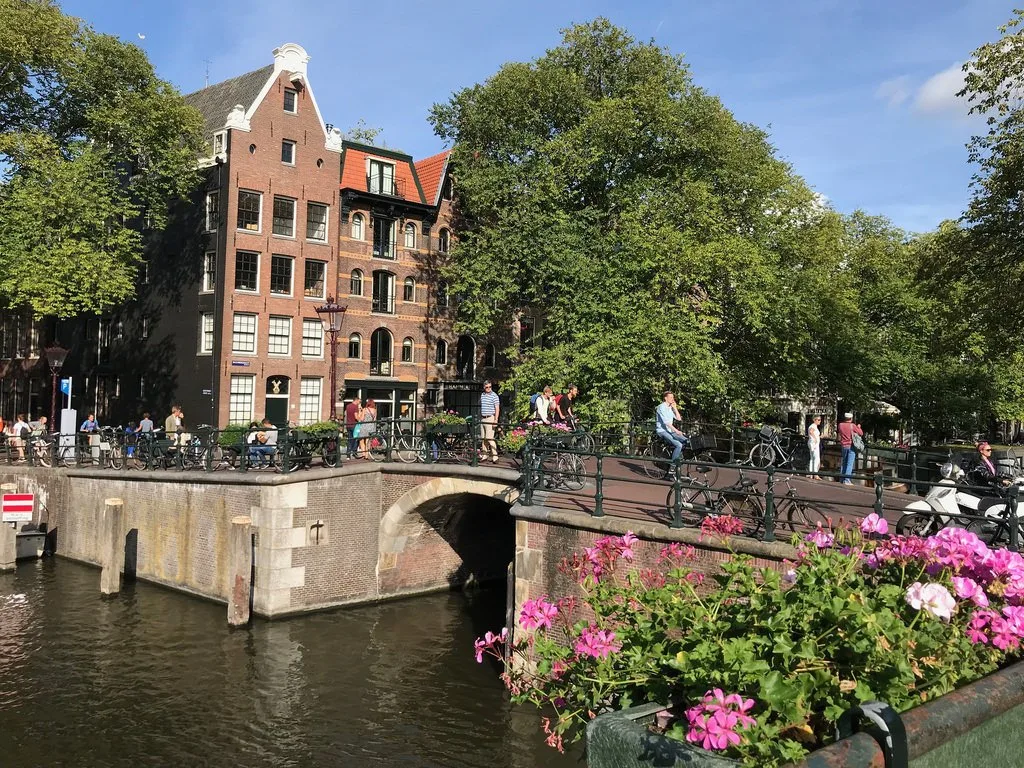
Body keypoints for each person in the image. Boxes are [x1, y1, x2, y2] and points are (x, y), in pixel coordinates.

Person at [655, 392, 688, 475]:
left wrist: (675, 408)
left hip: (670, 430)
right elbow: (666, 423)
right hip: (662, 431)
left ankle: (677, 457)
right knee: (679, 445)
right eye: (670, 397)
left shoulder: (670, 407)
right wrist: (676, 431)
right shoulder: (661, 407)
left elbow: (679, 418)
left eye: (673, 397)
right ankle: (672, 466)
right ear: (665, 398)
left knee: (686, 441)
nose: (672, 399)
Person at [836, 412, 863, 485]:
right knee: (850, 463)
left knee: (844, 462)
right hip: (851, 445)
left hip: (843, 445)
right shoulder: (852, 426)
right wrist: (859, 427)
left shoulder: (840, 425)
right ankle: (847, 480)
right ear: (851, 418)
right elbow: (861, 433)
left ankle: (842, 478)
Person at [480, 380, 501, 463]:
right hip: (483, 418)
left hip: (490, 418)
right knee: (483, 439)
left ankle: (495, 456)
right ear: (484, 388)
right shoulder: (482, 395)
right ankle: (485, 455)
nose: (489, 388)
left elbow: (497, 408)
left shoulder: (494, 396)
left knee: (489, 438)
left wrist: (495, 420)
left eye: (490, 387)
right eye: (487, 387)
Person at [806, 415, 822, 480]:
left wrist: (819, 437)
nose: (819, 421)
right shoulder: (813, 426)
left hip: (812, 443)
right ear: (814, 420)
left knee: (812, 458)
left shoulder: (813, 426)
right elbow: (811, 432)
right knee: (816, 458)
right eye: (818, 420)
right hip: (814, 444)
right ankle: (815, 474)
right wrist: (815, 439)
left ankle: (811, 473)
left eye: (820, 420)